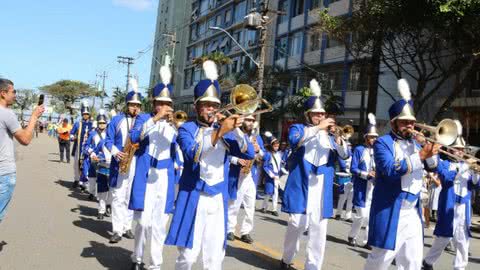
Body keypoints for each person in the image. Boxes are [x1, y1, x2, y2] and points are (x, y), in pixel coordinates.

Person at [165, 60, 255, 270]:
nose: (212, 109)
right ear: (197, 106)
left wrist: (237, 130)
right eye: (207, 105)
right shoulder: (186, 129)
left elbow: (249, 152)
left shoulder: (225, 130)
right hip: (193, 196)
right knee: (188, 256)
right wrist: (220, 131)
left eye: (215, 105)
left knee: (215, 259)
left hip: (217, 198)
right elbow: (191, 153)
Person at [363, 79, 439, 270]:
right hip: (391, 208)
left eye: (412, 122)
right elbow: (389, 170)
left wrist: (429, 152)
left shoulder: (416, 143)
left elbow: (432, 167)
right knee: (380, 260)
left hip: (413, 211)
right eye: (405, 122)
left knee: (412, 262)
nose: (410, 126)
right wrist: (421, 154)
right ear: (394, 123)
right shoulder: (382, 143)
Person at [280, 79, 349, 270]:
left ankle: (313, 266)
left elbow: (344, 156)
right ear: (308, 115)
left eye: (322, 114)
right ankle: (287, 258)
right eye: (316, 114)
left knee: (319, 229)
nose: (320, 117)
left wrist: (339, 139)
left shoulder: (330, 136)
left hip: (322, 187)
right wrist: (318, 128)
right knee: (296, 224)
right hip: (302, 182)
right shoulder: (299, 128)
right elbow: (294, 141)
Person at [128, 65, 177, 270]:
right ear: (154, 103)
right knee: (143, 223)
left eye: (168, 103)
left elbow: (183, 148)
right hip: (146, 175)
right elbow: (133, 137)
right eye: (161, 103)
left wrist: (176, 125)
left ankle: (155, 264)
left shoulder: (175, 123)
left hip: (165, 177)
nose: (165, 107)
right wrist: (155, 119)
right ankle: (137, 258)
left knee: (159, 225)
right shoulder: (143, 118)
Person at [423, 135, 480, 270]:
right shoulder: (444, 164)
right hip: (449, 205)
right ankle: (428, 262)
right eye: (456, 149)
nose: (459, 151)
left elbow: (475, 185)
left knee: (463, 239)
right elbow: (446, 179)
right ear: (450, 149)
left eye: (461, 149)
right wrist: (464, 167)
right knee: (443, 238)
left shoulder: (468, 166)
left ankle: (460, 267)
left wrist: (476, 173)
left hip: (464, 207)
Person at [0, 78, 44, 223]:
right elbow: (25, 139)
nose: (15, 95)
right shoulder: (6, 113)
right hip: (4, 172)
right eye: (13, 91)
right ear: (3, 93)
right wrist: (34, 117)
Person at [104, 79, 143, 244]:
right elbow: (107, 140)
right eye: (132, 105)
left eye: (138, 105)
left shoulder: (143, 121)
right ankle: (117, 230)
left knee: (130, 196)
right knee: (118, 196)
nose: (135, 108)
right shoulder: (117, 120)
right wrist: (116, 152)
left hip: (136, 162)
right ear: (127, 105)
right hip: (120, 161)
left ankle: (127, 227)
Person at [227, 115, 265, 244]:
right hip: (236, 172)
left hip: (250, 174)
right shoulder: (232, 135)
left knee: (250, 205)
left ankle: (245, 232)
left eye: (253, 120)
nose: (251, 123)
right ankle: (229, 229)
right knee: (234, 203)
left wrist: (258, 149)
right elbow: (224, 155)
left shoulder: (256, 137)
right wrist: (236, 160)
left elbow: (263, 154)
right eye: (248, 120)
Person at [347, 113, 378, 249]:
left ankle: (367, 241)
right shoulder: (359, 150)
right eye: (371, 137)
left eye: (375, 137)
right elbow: (353, 169)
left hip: (373, 189)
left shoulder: (378, 151)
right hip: (360, 188)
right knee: (361, 216)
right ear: (366, 137)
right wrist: (367, 174)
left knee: (371, 217)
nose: (374, 139)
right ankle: (352, 236)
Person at [83, 110, 109, 203]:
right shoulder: (92, 133)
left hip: (105, 160)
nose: (102, 125)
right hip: (94, 159)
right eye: (100, 123)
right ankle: (91, 192)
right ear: (97, 123)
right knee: (92, 177)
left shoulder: (109, 134)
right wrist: (92, 153)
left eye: (103, 123)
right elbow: (86, 146)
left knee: (103, 179)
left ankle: (101, 198)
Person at [70, 101, 93, 189]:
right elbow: (72, 133)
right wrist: (73, 137)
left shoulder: (92, 124)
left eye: (87, 114)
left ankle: (84, 182)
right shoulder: (77, 123)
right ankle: (76, 179)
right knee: (76, 164)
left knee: (87, 165)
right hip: (78, 147)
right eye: (84, 114)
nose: (85, 115)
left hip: (88, 148)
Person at [261, 131, 285, 216]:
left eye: (278, 146)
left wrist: (283, 170)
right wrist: (271, 175)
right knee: (268, 192)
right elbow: (265, 166)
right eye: (275, 146)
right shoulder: (268, 154)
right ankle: (264, 207)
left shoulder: (278, 154)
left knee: (276, 193)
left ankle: (274, 209)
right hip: (270, 176)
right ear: (272, 146)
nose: (277, 147)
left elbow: (279, 165)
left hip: (277, 176)